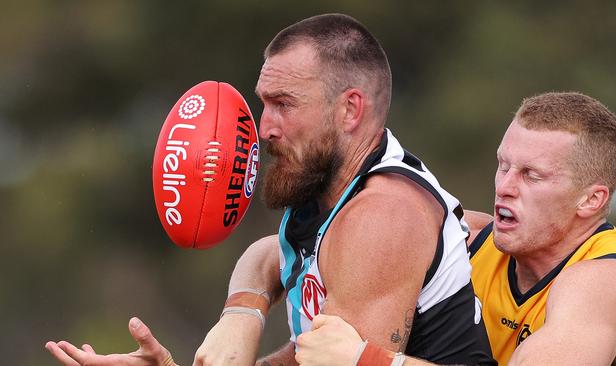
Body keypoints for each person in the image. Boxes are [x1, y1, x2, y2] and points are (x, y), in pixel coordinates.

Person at [45, 13, 495, 366]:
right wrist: (242, 312)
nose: (264, 128)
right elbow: (267, 257)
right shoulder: (326, 193)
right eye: (264, 103)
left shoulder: (381, 216)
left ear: (350, 111)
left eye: (284, 105)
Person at [292, 92, 616, 365]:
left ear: (591, 200)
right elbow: (273, 249)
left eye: (532, 175)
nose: (505, 186)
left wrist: (365, 359)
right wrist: (246, 308)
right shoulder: (474, 237)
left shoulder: (608, 279)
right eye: (503, 165)